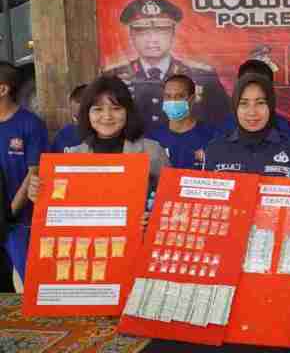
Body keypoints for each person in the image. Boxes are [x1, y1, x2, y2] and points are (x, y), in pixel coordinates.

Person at [29, 76, 170, 214]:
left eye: (116, 108)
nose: (107, 116)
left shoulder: (152, 151)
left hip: (138, 230)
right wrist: (41, 194)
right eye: (98, 109)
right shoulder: (73, 156)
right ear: (87, 114)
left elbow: (171, 200)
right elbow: (60, 203)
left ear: (128, 112)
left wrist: (151, 218)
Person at [103, 0, 230, 130]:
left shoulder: (201, 75)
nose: (152, 39)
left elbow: (224, 121)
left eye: (161, 31)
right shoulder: (113, 76)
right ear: (131, 35)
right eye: (142, 31)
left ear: (173, 33)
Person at [204, 73, 290, 177]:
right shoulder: (215, 149)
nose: (252, 112)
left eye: (260, 103)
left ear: (270, 106)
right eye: (244, 103)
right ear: (235, 107)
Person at [0, 62, 48, 281]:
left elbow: (34, 172)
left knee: (29, 280)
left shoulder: (30, 124)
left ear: (3, 89)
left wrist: (8, 214)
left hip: (19, 222)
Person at [146, 74, 221, 170]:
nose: (173, 101)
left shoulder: (211, 136)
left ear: (192, 99)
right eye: (168, 96)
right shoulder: (152, 138)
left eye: (179, 96)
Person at [217, 59, 290, 136]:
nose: (252, 112)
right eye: (248, 83)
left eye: (260, 102)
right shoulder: (224, 129)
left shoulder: (285, 128)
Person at [50, 84, 87, 153]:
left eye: (85, 117)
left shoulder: (105, 134)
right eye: (75, 118)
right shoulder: (63, 136)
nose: (79, 123)